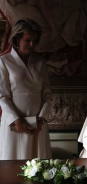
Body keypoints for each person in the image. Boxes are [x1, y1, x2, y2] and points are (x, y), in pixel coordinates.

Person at [0, 18, 52, 160]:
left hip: (37, 123)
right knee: (13, 161)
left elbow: (47, 96)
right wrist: (17, 120)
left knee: (39, 162)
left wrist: (41, 120)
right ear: (17, 38)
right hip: (14, 122)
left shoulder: (40, 62)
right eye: (28, 40)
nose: (32, 44)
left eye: (35, 41)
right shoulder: (4, 61)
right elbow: (2, 96)